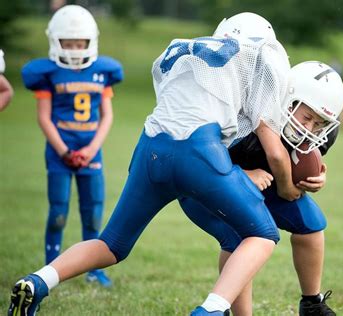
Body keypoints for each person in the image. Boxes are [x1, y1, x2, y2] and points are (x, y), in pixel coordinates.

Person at [8, 12, 301, 316]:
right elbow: (276, 153)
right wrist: (288, 186)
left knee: (110, 244)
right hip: (198, 150)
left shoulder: (191, 50)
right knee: (262, 235)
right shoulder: (255, 58)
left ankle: (37, 281)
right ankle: (210, 311)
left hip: (150, 146)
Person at [180, 61, 343, 316]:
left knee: (311, 224)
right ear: (288, 100)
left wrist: (315, 178)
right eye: (308, 117)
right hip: (214, 184)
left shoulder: (320, 133)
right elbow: (204, 158)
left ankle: (312, 303)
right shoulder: (248, 115)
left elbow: (301, 161)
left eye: (320, 123)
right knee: (241, 239)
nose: (310, 129)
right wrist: (242, 174)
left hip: (265, 184)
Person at [19, 5, 123, 289]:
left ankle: (93, 269)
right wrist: (64, 151)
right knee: (59, 211)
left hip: (91, 150)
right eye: (69, 42)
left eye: (80, 43)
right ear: (56, 41)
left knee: (93, 211)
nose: (75, 48)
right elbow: (44, 117)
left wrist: (91, 149)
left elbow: (107, 115)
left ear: (91, 41)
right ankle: (50, 267)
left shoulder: (102, 72)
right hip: (59, 151)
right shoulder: (48, 73)